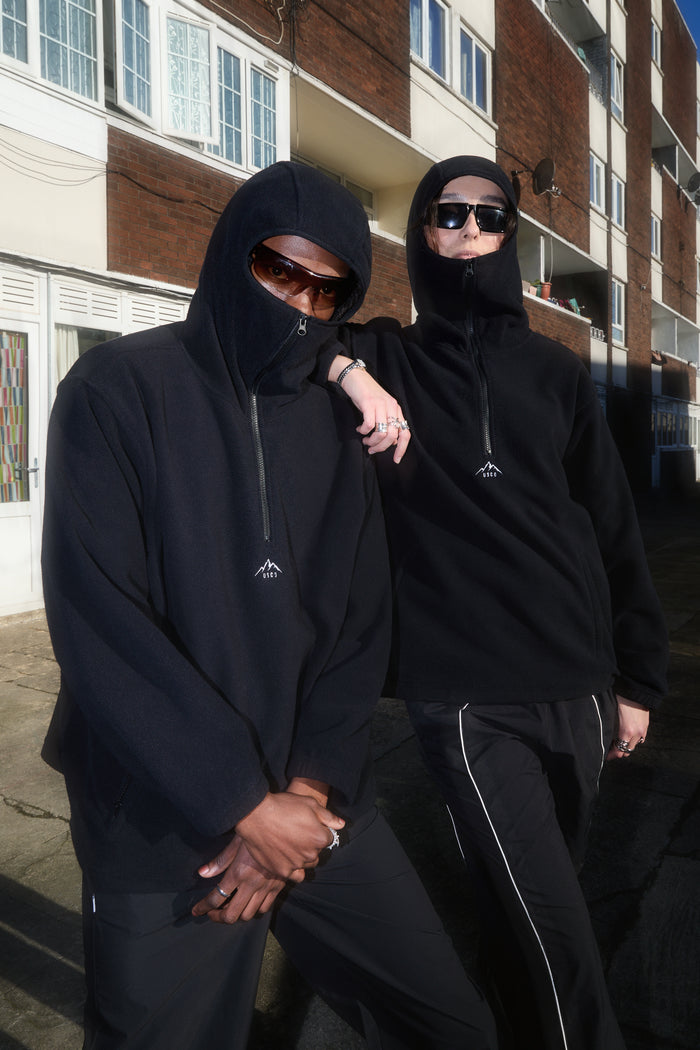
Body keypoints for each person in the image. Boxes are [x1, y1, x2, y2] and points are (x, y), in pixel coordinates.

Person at [40, 161, 498, 1050]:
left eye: (326, 290)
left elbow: (359, 626)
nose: (299, 303)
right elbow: (101, 622)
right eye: (279, 269)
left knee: (450, 1025)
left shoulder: (337, 424)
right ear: (230, 253)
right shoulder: (114, 391)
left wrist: (305, 792)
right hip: (164, 816)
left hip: (316, 799)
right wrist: (245, 807)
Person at [330, 155, 669, 1050]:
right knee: (553, 923)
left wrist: (636, 680)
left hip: (577, 683)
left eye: (490, 216)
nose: (471, 230)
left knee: (527, 897)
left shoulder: (557, 372)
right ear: (422, 231)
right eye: (449, 213)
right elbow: (272, 330)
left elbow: (611, 526)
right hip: (465, 697)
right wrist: (348, 372)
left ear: (511, 236)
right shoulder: (387, 354)